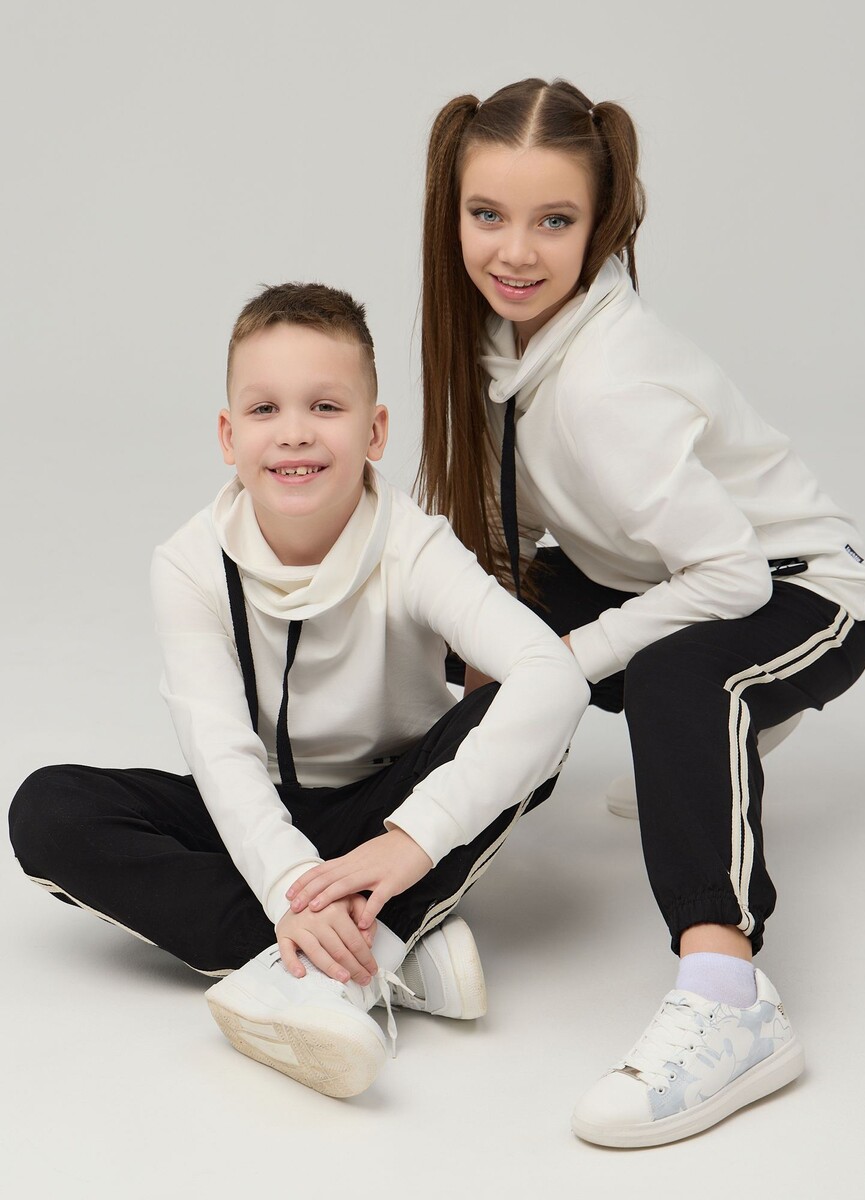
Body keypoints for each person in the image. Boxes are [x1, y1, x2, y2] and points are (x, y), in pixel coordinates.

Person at [418, 77, 865, 1147]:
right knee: (447, 605)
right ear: (452, 212)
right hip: (652, 571)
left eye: (555, 221)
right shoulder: (499, 345)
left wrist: (564, 659)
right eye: (487, 214)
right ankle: (402, 860)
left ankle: (731, 999)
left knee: (680, 676)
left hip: (804, 589)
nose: (515, 252)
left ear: (602, 224)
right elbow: (496, 538)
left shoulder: (607, 385)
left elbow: (732, 581)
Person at [8, 281, 589, 1100]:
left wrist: (414, 838)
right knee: (49, 808)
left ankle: (330, 965)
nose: (294, 433)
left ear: (374, 431)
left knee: (526, 719)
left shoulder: (413, 546)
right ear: (228, 435)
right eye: (264, 409)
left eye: (325, 406)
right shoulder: (188, 564)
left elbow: (551, 676)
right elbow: (221, 753)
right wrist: (287, 887)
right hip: (260, 810)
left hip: (387, 804)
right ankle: (384, 947)